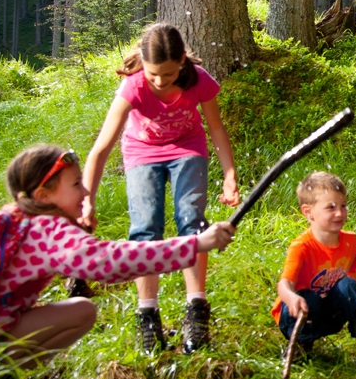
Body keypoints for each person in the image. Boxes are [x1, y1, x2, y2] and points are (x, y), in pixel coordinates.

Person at [0, 144, 234, 365]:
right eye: (76, 185)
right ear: (44, 194)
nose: (86, 190)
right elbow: (109, 263)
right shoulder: (46, 229)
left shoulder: (11, 221)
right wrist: (197, 244)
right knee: (82, 311)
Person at [82, 23, 241, 353]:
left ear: (182, 60)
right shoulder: (133, 87)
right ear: (142, 61)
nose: (159, 81)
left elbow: (216, 128)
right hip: (142, 152)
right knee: (145, 227)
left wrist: (229, 174)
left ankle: (196, 310)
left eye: (167, 75)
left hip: (188, 148)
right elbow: (101, 149)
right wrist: (87, 201)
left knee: (191, 221)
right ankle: (147, 314)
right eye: (153, 74)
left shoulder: (198, 80)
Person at [273, 171, 356, 360]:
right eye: (330, 207)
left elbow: (354, 268)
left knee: (349, 286)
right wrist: (291, 298)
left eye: (343, 206)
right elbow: (285, 283)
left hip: (330, 314)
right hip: (298, 314)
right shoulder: (302, 247)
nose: (340, 213)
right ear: (308, 212)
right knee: (308, 298)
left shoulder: (350, 241)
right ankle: (301, 345)